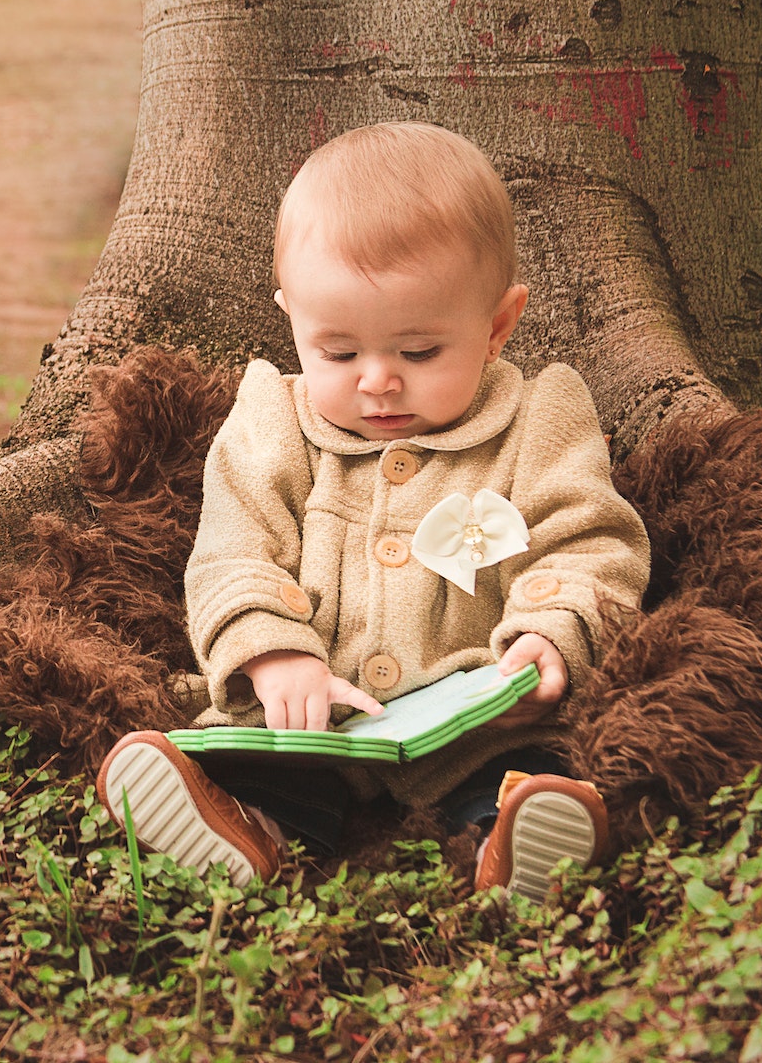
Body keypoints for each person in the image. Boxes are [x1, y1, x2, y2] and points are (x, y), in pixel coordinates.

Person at [97, 121, 652, 901]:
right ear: (290, 315)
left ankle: (512, 844)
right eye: (339, 352)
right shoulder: (272, 421)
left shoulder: (538, 418)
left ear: (497, 325)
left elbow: (587, 539)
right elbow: (231, 551)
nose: (378, 381)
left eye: (419, 353)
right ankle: (241, 828)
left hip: (474, 720)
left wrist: (549, 634)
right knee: (260, 764)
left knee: (530, 769)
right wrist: (273, 652)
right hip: (309, 722)